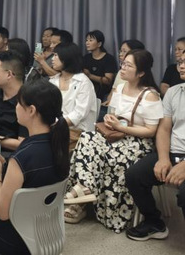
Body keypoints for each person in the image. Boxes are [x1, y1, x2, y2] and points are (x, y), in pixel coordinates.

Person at [64, 49, 163, 231]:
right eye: (123, 63)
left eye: (128, 65)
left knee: (111, 155)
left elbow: (151, 131)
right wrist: (111, 120)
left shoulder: (150, 95)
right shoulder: (120, 88)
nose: (122, 67)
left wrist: (122, 128)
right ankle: (85, 187)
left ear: (141, 72)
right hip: (118, 135)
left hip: (138, 142)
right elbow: (116, 116)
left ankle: (87, 201)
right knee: (87, 137)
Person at [0, 80, 70, 254]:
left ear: (31, 110)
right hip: (42, 232)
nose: (16, 107)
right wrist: (6, 168)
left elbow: (2, 212)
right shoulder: (59, 144)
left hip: (13, 241)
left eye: (19, 103)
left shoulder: (23, 157)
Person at [125, 58, 185, 241]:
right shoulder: (174, 92)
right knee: (135, 175)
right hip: (174, 152)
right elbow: (164, 129)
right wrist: (164, 158)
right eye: (181, 62)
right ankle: (154, 222)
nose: (181, 66)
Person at [48, 42, 98, 149]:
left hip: (79, 134)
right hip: (56, 129)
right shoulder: (53, 81)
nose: (52, 59)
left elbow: (79, 114)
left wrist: (56, 125)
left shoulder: (83, 82)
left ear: (66, 58)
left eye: (56, 55)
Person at [83, 30, 118, 105]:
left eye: (90, 40)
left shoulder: (109, 59)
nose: (87, 43)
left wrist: (90, 75)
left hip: (103, 93)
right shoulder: (86, 58)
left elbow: (108, 81)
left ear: (99, 44)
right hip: (87, 91)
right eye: (86, 40)